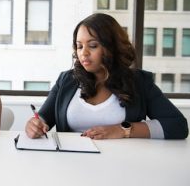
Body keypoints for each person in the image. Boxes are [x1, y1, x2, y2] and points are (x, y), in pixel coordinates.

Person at [25, 13, 188, 140]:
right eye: (79, 46)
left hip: (122, 166)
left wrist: (121, 130)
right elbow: (44, 118)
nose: (84, 53)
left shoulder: (139, 81)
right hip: (72, 166)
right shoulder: (67, 80)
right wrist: (35, 125)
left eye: (93, 45)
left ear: (112, 46)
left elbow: (178, 126)